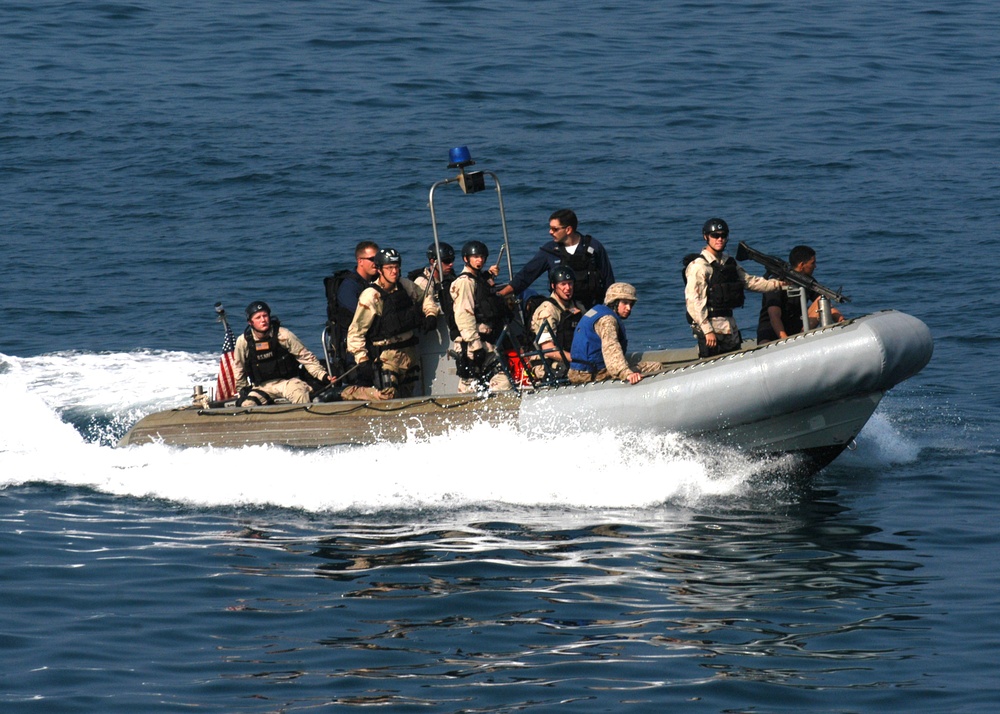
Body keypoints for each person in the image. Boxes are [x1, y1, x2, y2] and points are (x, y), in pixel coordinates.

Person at [684, 218, 785, 358]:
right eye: (715, 235)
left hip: (729, 327)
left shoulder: (729, 263)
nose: (719, 239)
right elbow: (694, 302)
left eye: (723, 235)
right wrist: (707, 331)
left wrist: (778, 284)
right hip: (710, 328)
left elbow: (749, 282)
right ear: (706, 237)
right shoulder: (699, 267)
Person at [346, 248, 437, 399]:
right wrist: (362, 360)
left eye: (396, 267)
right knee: (387, 396)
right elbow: (355, 333)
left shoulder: (405, 286)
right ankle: (349, 393)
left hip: (409, 352)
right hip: (387, 355)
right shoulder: (371, 296)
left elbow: (426, 297)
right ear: (380, 270)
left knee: (409, 397)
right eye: (389, 268)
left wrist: (431, 314)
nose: (394, 272)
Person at [497, 208, 615, 309]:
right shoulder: (549, 251)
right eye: (550, 228)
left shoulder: (594, 247)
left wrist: (611, 308)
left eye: (555, 229)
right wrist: (501, 294)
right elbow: (526, 275)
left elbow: (608, 279)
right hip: (562, 308)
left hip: (592, 306)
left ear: (568, 230)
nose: (550, 232)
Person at [233, 301, 334, 405]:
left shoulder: (283, 335)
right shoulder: (244, 341)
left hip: (288, 382)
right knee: (247, 404)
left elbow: (306, 358)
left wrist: (323, 375)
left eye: (265, 316)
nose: (263, 320)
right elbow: (239, 368)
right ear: (250, 322)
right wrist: (242, 391)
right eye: (258, 317)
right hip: (261, 386)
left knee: (299, 395)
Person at [448, 240, 513, 393]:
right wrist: (475, 345)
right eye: (475, 257)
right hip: (472, 343)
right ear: (466, 259)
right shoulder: (465, 282)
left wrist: (490, 274)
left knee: (501, 380)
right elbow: (464, 315)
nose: (480, 260)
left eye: (482, 257)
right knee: (470, 385)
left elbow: (483, 292)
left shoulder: (478, 279)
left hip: (488, 341)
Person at [567, 283, 659, 385]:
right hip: (594, 375)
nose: (628, 308)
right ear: (614, 302)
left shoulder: (595, 312)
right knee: (655, 366)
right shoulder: (608, 320)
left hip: (577, 372)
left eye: (631, 304)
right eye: (625, 303)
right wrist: (626, 373)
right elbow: (611, 347)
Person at [756, 245, 844, 343]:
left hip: (795, 329)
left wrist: (841, 320)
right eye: (812, 263)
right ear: (802, 265)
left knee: (822, 300)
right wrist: (785, 340)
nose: (815, 266)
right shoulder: (776, 282)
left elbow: (824, 302)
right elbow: (774, 315)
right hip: (772, 331)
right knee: (765, 341)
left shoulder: (808, 282)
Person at [528, 265, 585, 377]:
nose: (568, 288)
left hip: (569, 357)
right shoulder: (547, 310)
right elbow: (548, 349)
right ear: (553, 286)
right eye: (563, 284)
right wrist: (578, 359)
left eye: (570, 283)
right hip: (547, 363)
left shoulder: (577, 306)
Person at [409, 242, 456, 325]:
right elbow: (424, 305)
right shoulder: (423, 283)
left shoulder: (450, 277)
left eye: (452, 260)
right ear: (432, 261)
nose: (451, 264)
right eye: (446, 261)